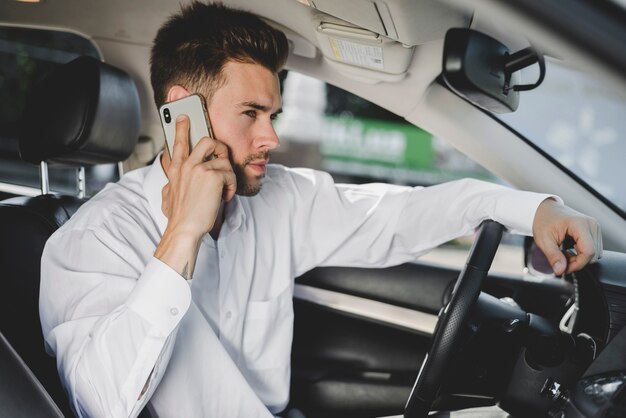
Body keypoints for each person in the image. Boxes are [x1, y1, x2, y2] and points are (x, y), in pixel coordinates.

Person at [39, 2, 602, 417]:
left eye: (274, 116)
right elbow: (103, 403)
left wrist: (533, 209)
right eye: (252, 114)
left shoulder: (277, 198)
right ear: (180, 114)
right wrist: (181, 237)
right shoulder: (91, 241)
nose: (271, 139)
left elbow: (398, 217)